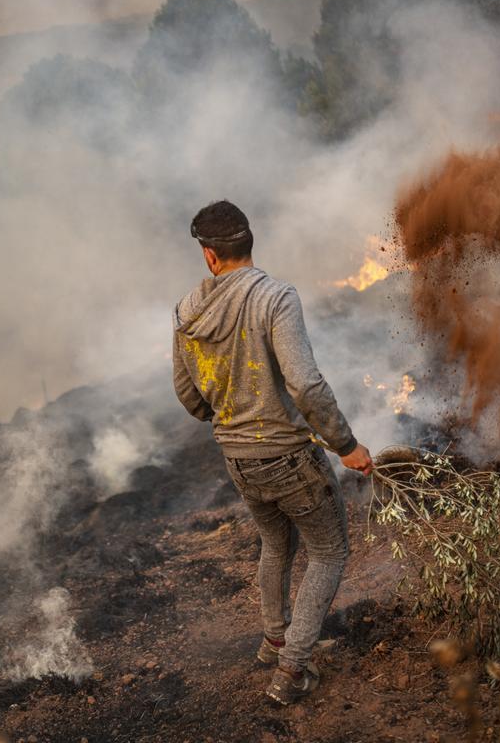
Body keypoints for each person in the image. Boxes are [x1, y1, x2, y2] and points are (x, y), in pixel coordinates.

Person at [172, 199, 373, 705]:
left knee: (275, 543)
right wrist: (345, 445)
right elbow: (304, 383)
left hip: (237, 459)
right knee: (329, 552)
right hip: (287, 455)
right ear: (247, 245)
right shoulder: (275, 297)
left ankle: (273, 640)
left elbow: (189, 395)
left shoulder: (186, 311)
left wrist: (227, 413)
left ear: (210, 256)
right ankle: (292, 670)